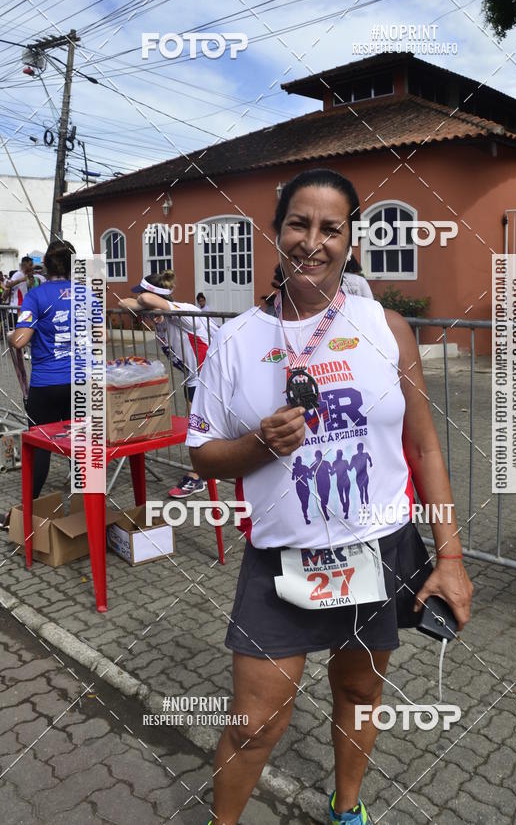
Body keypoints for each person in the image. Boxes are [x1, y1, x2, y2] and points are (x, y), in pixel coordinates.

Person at [186, 168, 473, 825]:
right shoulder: (235, 342)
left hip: (377, 551)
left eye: (329, 228)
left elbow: (425, 448)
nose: (311, 241)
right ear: (277, 231)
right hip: (282, 562)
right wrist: (259, 445)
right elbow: (201, 452)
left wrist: (450, 558)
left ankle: (348, 809)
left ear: (349, 242)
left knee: (359, 690)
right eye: (298, 224)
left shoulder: (386, 328)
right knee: (255, 725)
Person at [119, 270, 210, 497]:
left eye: (142, 294)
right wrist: (149, 308)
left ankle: (200, 475)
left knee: (197, 427)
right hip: (195, 376)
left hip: (211, 374)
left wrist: (152, 305)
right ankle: (208, 470)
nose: (140, 299)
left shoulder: (184, 312)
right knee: (199, 425)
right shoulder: (159, 314)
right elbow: (123, 302)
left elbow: (147, 299)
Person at [8, 241, 75, 498]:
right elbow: (100, 336)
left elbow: (21, 340)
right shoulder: (86, 294)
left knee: (40, 448)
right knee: (80, 447)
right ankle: (91, 518)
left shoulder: (37, 296)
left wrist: (13, 333)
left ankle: (27, 511)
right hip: (79, 384)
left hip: (46, 385)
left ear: (45, 266)